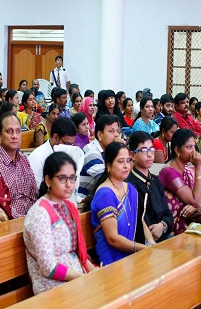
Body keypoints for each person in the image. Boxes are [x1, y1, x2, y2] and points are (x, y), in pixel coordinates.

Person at [23, 152, 96, 295]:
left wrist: (93, 272)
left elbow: (79, 252)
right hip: (52, 288)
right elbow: (48, 267)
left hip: (77, 278)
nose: (69, 184)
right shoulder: (40, 214)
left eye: (72, 178)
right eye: (62, 178)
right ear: (48, 180)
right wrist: (83, 278)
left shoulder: (69, 207)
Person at [91, 142, 148, 265]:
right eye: (121, 161)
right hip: (113, 261)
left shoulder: (130, 189)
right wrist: (144, 249)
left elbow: (140, 221)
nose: (126, 166)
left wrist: (151, 243)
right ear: (109, 165)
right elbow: (113, 239)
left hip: (133, 254)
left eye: (128, 161)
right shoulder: (105, 194)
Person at [128, 131, 174, 243]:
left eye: (152, 150)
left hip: (163, 235)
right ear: (132, 155)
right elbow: (139, 221)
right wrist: (154, 231)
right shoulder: (129, 184)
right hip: (145, 242)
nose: (149, 155)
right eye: (144, 150)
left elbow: (168, 214)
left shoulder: (155, 180)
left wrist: (162, 225)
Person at [159, 129, 201, 235]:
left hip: (190, 222)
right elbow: (195, 200)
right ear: (177, 150)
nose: (194, 151)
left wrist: (194, 207)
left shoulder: (187, 170)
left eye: (194, 146)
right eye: (189, 147)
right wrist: (198, 168)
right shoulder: (169, 172)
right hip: (171, 231)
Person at [0, 112, 38, 218]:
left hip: (32, 217)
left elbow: (34, 193)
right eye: (9, 131)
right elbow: (0, 207)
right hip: (11, 221)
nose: (14, 136)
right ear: (0, 135)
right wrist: (24, 220)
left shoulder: (24, 159)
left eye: (18, 131)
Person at [79, 115, 121, 198]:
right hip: (83, 201)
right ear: (100, 135)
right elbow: (108, 181)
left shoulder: (108, 150)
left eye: (117, 131)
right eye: (111, 131)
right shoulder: (91, 152)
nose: (116, 135)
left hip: (97, 197)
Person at [29, 117, 77, 186]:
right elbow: (35, 189)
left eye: (72, 144)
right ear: (56, 137)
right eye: (67, 144)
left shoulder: (69, 154)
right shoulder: (37, 159)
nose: (69, 148)